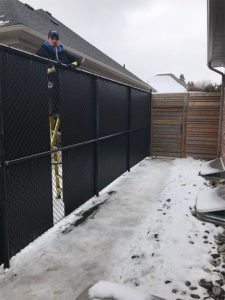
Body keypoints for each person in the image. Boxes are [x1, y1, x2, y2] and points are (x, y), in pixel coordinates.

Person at [36, 29, 82, 115]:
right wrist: (53, 69)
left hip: (62, 89)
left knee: (60, 114)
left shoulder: (63, 53)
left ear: (59, 41)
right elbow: (37, 70)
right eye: (52, 38)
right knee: (48, 113)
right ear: (48, 39)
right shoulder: (41, 51)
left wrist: (73, 65)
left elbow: (77, 60)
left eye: (56, 39)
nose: (54, 41)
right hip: (47, 89)